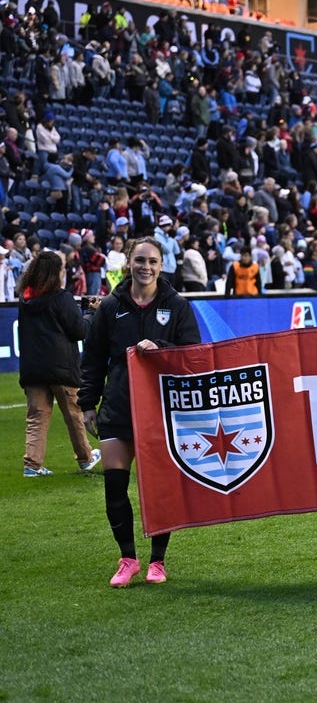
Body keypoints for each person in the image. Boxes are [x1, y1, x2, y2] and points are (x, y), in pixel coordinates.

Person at [79, 237, 201, 587]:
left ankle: (158, 562)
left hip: (161, 409)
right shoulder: (110, 306)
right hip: (118, 406)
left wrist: (161, 347)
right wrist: (88, 404)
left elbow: (192, 354)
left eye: (152, 261)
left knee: (159, 488)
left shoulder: (177, 305)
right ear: (128, 263)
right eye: (139, 260)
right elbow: (93, 359)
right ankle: (128, 558)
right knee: (115, 486)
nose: (145, 267)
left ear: (162, 266)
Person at [17, 252, 102, 477]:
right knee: (74, 415)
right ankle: (85, 458)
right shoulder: (60, 297)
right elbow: (79, 331)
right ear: (57, 272)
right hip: (61, 368)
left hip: (33, 369)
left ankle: (32, 465)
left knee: (36, 417)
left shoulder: (25, 299)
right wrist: (90, 314)